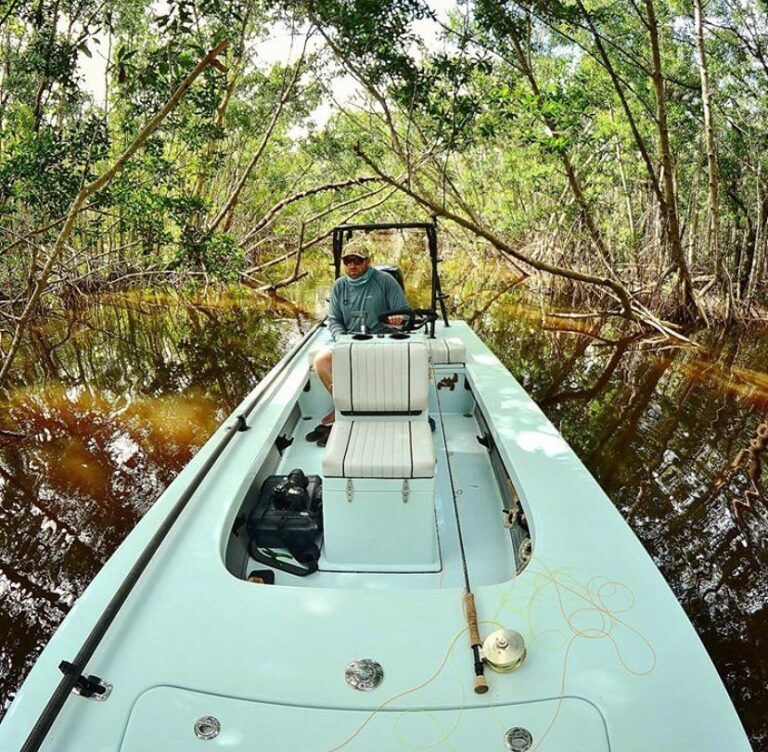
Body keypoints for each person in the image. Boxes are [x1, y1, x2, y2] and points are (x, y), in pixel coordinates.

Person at [312, 240, 409, 431]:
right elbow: (334, 320)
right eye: (347, 261)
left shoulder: (385, 281)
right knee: (320, 362)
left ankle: (396, 408)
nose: (352, 265)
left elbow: (404, 311)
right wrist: (342, 340)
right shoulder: (339, 286)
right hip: (349, 339)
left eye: (357, 261)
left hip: (383, 338)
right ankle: (343, 406)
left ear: (367, 261)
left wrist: (399, 318)